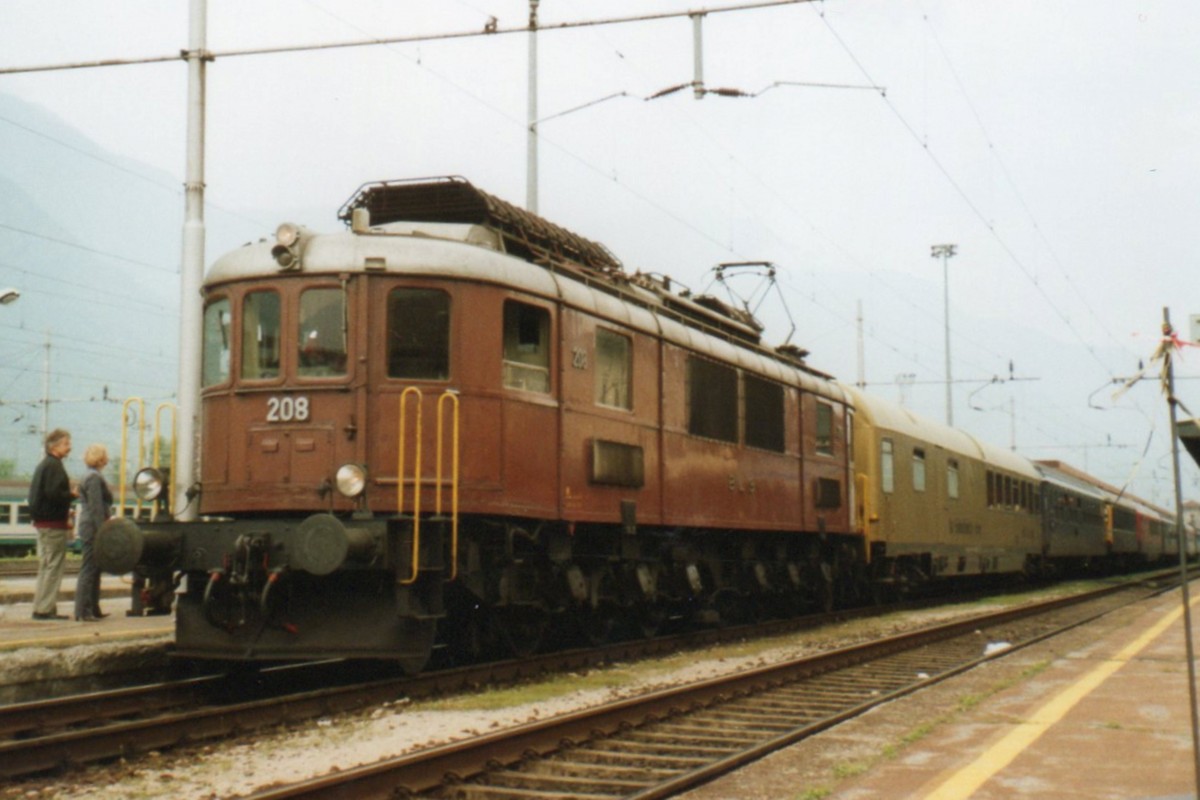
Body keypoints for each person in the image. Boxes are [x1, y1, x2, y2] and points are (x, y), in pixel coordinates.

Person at [29, 428, 76, 621]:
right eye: (66, 443)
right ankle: (45, 610)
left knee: (46, 566)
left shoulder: (44, 465)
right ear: (54, 446)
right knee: (54, 566)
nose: (69, 447)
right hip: (53, 523)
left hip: (42, 522)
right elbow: (54, 494)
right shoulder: (54, 466)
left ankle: (41, 606)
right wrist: (72, 495)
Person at [74, 443, 113, 622]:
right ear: (100, 458)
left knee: (95, 567)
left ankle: (93, 608)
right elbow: (97, 507)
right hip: (93, 527)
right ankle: (83, 610)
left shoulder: (89, 476)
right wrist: (103, 530)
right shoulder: (94, 478)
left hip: (90, 525)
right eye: (105, 455)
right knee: (89, 568)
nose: (107, 459)